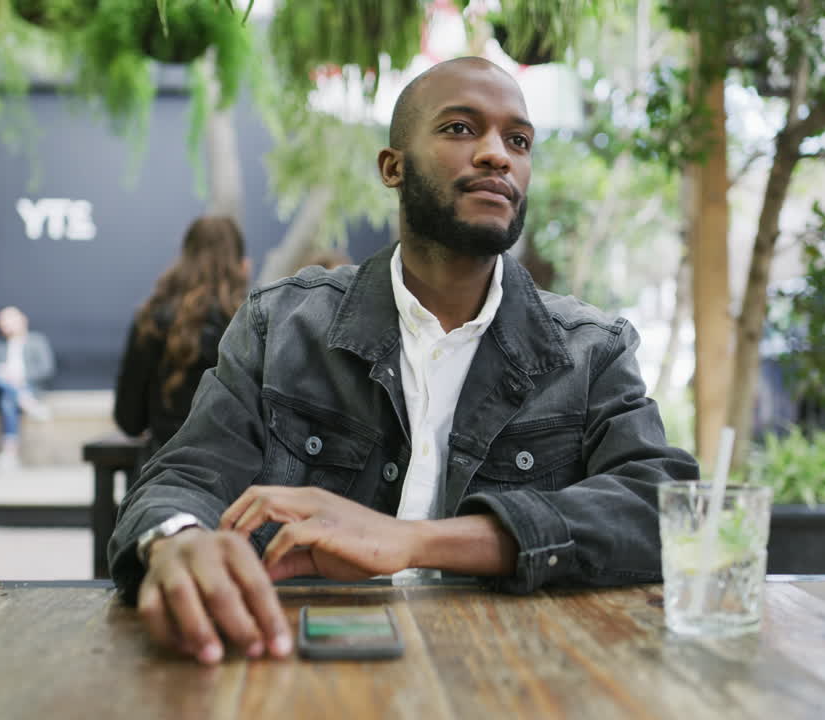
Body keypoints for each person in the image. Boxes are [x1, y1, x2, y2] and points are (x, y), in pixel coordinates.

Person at [109, 57, 698, 664]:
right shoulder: (282, 325)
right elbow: (183, 477)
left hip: (518, 677)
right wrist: (175, 539)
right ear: (393, 166)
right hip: (304, 673)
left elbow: (661, 507)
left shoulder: (590, 348)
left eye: (518, 140)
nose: (497, 154)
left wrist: (415, 542)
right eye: (460, 129)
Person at [114, 216, 252, 450]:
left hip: (163, 472)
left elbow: (129, 420)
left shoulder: (151, 320)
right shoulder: (249, 324)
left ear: (184, 256)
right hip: (237, 477)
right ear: (240, 264)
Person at [0, 306, 55, 470]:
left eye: (9, 320)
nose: (5, 325)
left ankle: (9, 453)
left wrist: (21, 376)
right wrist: (1, 371)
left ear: (22, 321)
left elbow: (47, 369)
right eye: (2, 322)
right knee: (0, 381)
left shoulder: (37, 340)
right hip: (7, 388)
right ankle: (23, 399)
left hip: (28, 386)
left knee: (7, 399)